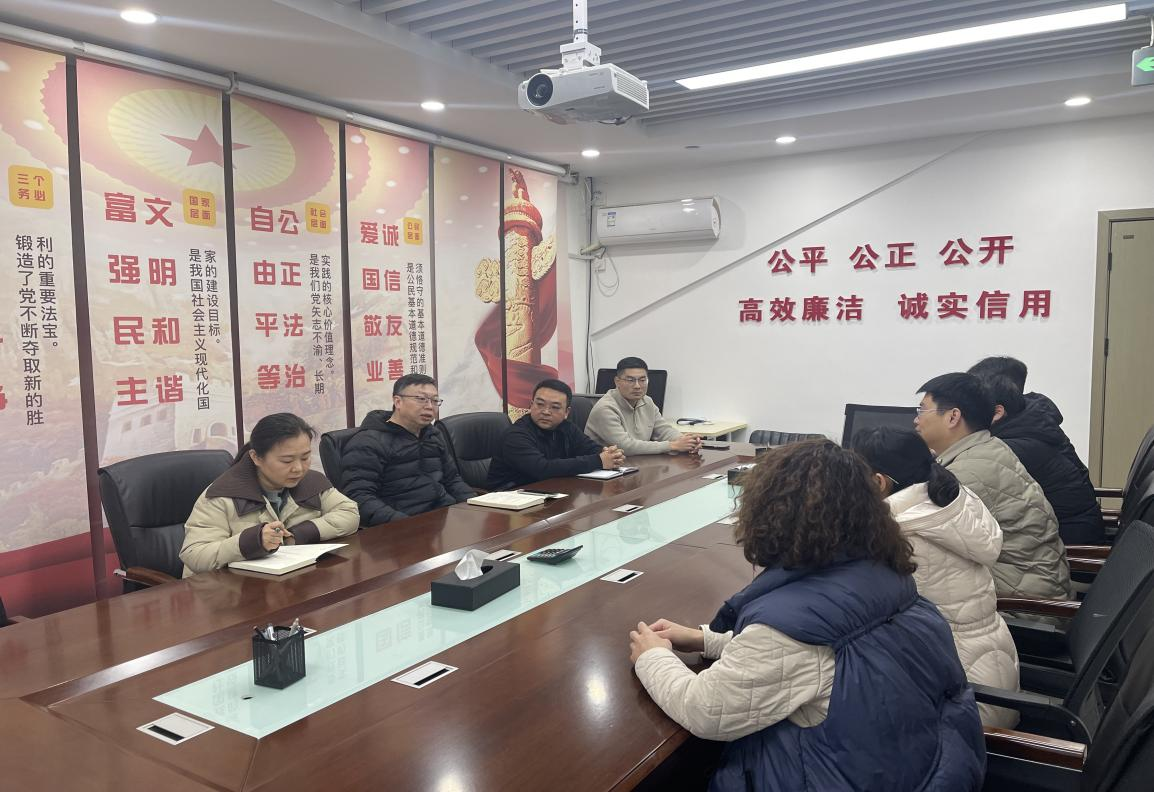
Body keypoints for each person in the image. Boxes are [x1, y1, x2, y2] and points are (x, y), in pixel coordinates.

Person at [628, 440, 984, 791]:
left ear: (769, 516)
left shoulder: (789, 631)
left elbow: (707, 710)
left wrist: (653, 657)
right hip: (929, 768)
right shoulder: (887, 575)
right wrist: (708, 640)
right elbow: (821, 657)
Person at [852, 426, 1020, 728]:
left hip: (959, 706)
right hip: (994, 677)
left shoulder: (898, 532)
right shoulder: (952, 500)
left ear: (878, 482)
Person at [915, 372, 1072, 601]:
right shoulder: (988, 447)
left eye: (922, 410)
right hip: (1030, 583)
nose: (916, 420)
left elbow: (920, 535)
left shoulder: (967, 474)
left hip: (1021, 603)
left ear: (953, 417)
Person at [180, 413, 359, 576]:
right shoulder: (222, 494)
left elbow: (349, 513)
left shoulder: (311, 482)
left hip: (287, 584)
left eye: (305, 458)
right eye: (287, 461)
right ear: (256, 457)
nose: (298, 468)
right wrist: (251, 542)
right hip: (227, 592)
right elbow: (195, 554)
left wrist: (301, 533)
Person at [978, 374, 1104, 545]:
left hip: (1069, 543)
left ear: (997, 412)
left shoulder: (1013, 448)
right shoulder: (1032, 425)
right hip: (1076, 528)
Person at [341, 374, 474, 526]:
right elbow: (359, 496)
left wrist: (475, 506)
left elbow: (452, 479)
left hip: (442, 519)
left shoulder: (433, 434)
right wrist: (406, 524)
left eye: (435, 400)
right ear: (398, 402)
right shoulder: (368, 442)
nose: (430, 406)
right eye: (421, 399)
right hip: (401, 525)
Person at [487, 379, 626, 490]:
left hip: (549, 491)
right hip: (510, 497)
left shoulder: (566, 427)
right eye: (540, 404)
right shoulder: (516, 435)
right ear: (531, 405)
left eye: (555, 407)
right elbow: (542, 469)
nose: (546, 412)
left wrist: (610, 454)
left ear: (566, 412)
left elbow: (589, 447)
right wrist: (599, 460)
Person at [584, 357, 702, 455]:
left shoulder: (647, 401)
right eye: (630, 380)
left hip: (638, 463)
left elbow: (663, 430)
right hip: (607, 469)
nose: (637, 386)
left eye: (642, 380)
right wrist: (672, 445)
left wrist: (686, 441)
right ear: (617, 381)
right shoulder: (605, 408)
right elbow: (625, 447)